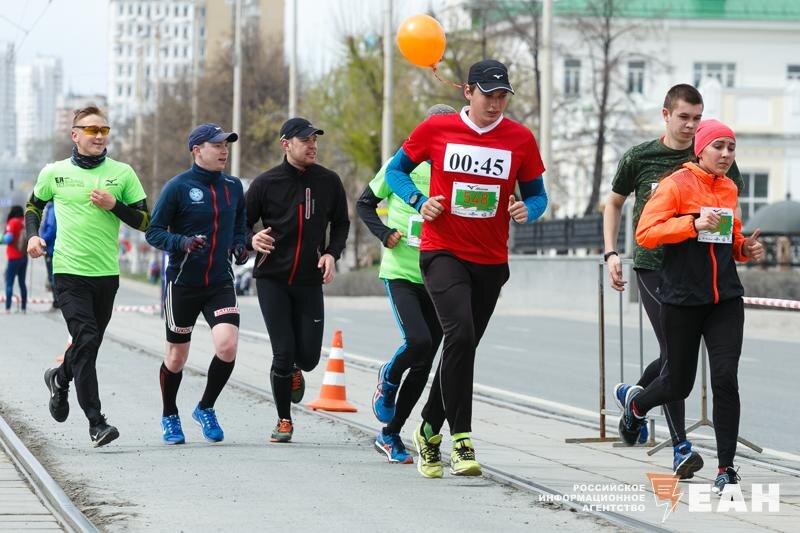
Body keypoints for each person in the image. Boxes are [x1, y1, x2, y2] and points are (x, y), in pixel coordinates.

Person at [385, 60, 547, 478]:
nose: (495, 104)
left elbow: (538, 195)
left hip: (491, 261)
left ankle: (426, 429)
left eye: (502, 97)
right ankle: (461, 439)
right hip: (442, 252)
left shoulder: (520, 139)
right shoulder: (435, 130)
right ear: (468, 92)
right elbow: (396, 172)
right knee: (461, 334)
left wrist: (525, 209)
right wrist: (421, 202)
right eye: (488, 95)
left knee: (462, 347)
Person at [603, 84, 744, 479]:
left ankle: (636, 402)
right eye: (684, 117)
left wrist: (743, 247)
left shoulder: (721, 160)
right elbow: (615, 204)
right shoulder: (643, 157)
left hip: (709, 279)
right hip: (655, 267)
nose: (690, 125)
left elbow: (730, 221)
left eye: (697, 118)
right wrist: (611, 252)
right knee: (673, 358)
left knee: (699, 370)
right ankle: (681, 446)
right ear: (666, 115)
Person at [619, 119, 765, 495]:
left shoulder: (729, 187)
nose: (726, 154)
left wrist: (745, 249)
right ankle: (637, 406)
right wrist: (691, 223)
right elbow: (646, 234)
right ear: (700, 149)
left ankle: (726, 468)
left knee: (725, 380)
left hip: (725, 300)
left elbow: (730, 240)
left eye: (731, 148)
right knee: (677, 383)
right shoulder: (675, 185)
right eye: (719, 147)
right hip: (682, 300)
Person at [25, 105, 150, 447]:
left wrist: (115, 206)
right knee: (88, 338)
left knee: (87, 346)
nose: (99, 136)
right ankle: (97, 423)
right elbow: (34, 206)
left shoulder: (122, 173)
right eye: (92, 130)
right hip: (68, 271)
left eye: (104, 130)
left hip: (106, 274)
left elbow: (144, 221)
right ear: (75, 134)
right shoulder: (55, 172)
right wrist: (33, 236)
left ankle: (59, 377)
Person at [357, 104, 456, 464]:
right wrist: (385, 234)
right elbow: (365, 203)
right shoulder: (403, 162)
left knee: (426, 360)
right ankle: (389, 374)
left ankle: (390, 434)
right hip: (402, 270)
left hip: (441, 273)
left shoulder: (456, 169)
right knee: (418, 340)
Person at [245, 117, 350, 443]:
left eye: (314, 140)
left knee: (307, 357)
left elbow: (342, 223)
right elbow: (241, 226)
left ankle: (294, 369)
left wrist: (332, 253)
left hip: (308, 280)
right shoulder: (265, 183)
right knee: (282, 352)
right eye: (305, 140)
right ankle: (284, 420)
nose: (312, 145)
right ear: (286, 144)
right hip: (271, 279)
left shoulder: (329, 181)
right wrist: (252, 240)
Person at [145, 123, 247, 445]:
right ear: (197, 150)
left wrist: (241, 246)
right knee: (176, 358)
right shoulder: (177, 187)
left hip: (219, 281)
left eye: (226, 145)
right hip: (183, 283)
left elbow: (241, 227)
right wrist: (183, 243)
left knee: (227, 346)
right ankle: (170, 414)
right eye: (217, 145)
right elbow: (154, 231)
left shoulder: (234, 187)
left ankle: (205, 407)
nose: (224, 150)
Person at [3, 205, 27, 313]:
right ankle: (23, 308)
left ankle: (8, 308)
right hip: (24, 256)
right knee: (22, 282)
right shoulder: (24, 222)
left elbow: (9, 238)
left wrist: (3, 236)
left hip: (13, 257)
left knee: (9, 282)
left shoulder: (12, 222)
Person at [39, 201, 58, 308]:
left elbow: (51, 228)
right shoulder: (60, 206)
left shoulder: (52, 209)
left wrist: (42, 240)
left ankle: (57, 300)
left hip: (51, 248)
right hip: (58, 247)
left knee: (52, 275)